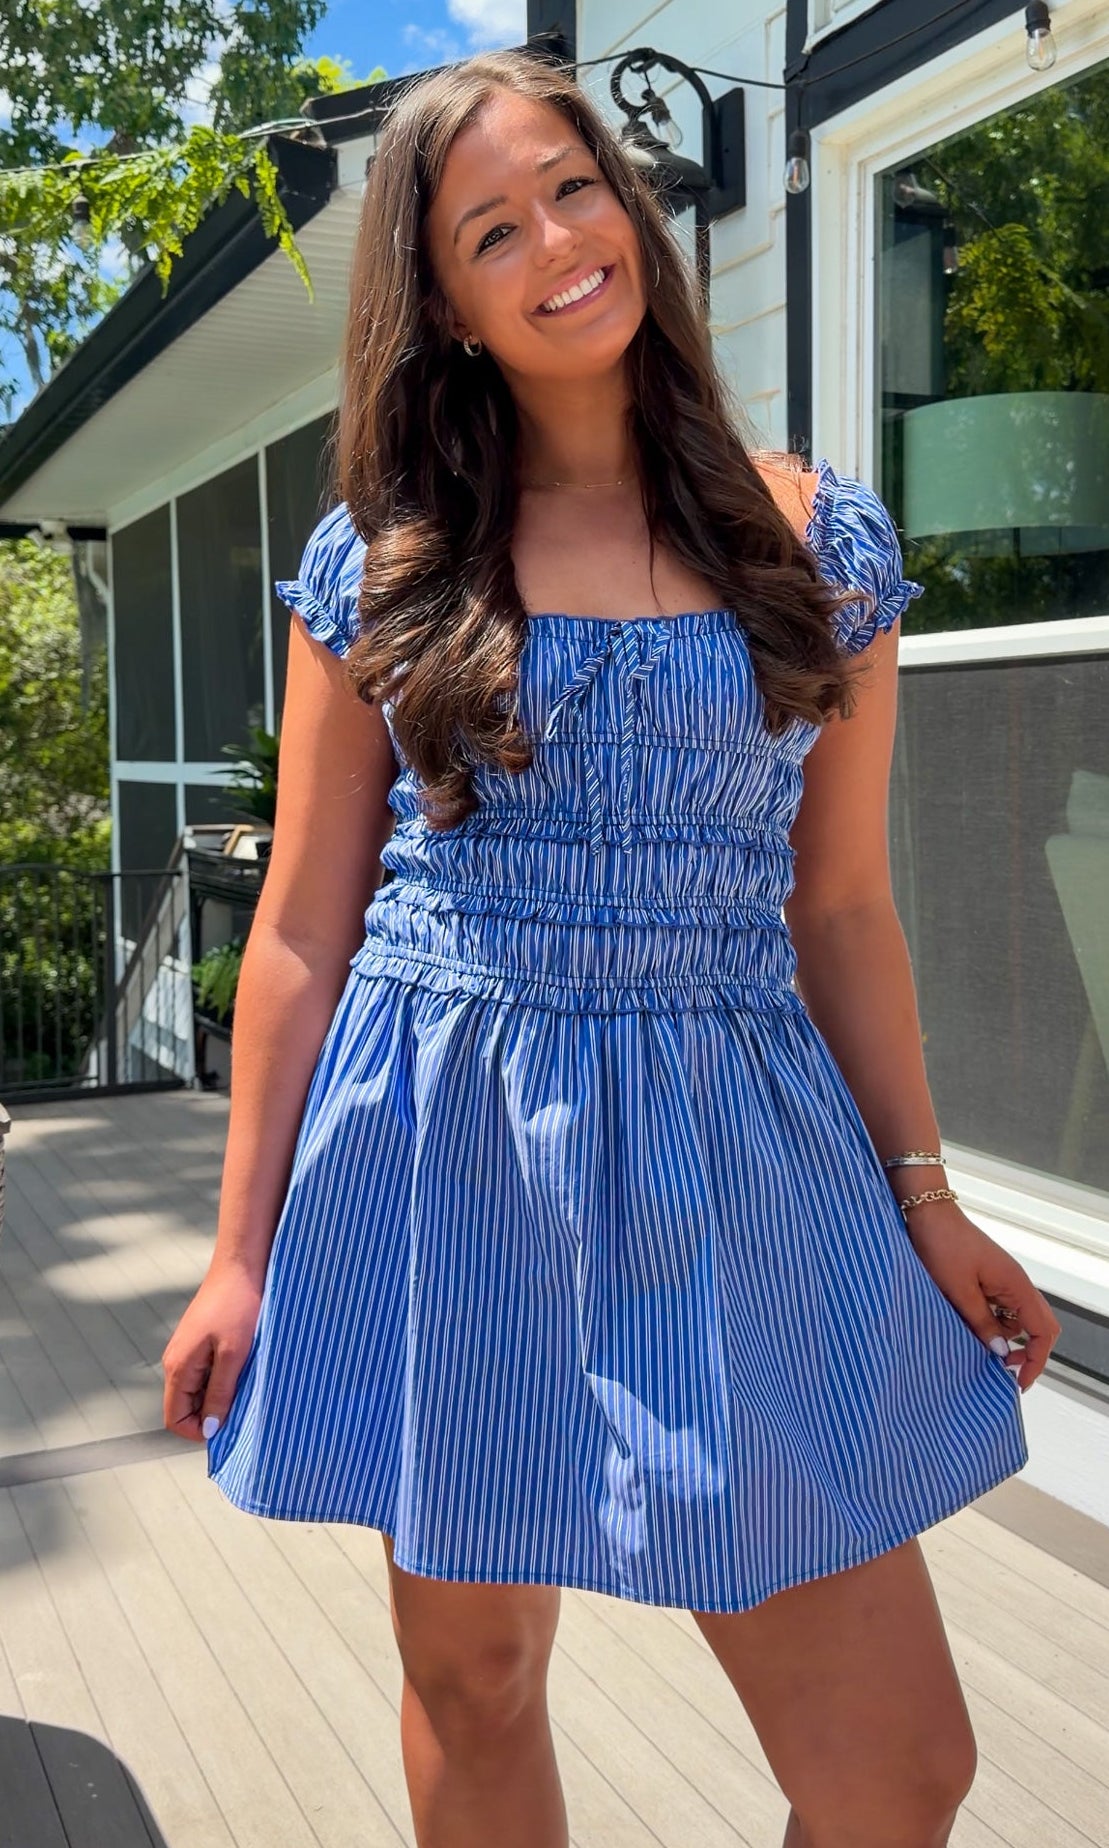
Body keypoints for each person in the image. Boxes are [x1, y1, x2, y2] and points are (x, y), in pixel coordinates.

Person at [162, 45, 1060, 1848]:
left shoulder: (816, 540)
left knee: (896, 1768)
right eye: (493, 229)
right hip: (449, 1135)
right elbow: (300, 932)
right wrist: (238, 1253)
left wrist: (928, 1193)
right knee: (475, 1681)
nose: (557, 242)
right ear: (450, 306)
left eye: (574, 188)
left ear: (627, 206)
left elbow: (845, 908)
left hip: (738, 1148)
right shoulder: (389, 556)